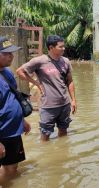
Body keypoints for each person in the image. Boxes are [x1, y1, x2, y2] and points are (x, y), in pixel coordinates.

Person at [16, 35, 76, 141]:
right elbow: (19, 72)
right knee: (45, 136)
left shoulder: (65, 61)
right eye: (60, 47)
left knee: (64, 132)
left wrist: (73, 100)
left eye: (63, 46)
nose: (64, 48)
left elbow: (70, 81)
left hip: (64, 104)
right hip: (48, 106)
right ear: (51, 47)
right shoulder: (39, 61)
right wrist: (36, 82)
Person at [0, 36, 31, 179]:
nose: (11, 56)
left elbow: (13, 97)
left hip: (13, 130)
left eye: (11, 52)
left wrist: (22, 120)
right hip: (2, 133)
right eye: (6, 53)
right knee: (5, 168)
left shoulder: (6, 72)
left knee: (13, 166)